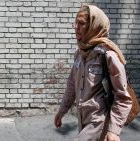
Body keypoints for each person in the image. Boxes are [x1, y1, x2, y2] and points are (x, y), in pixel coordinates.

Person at [54, 5, 132, 141]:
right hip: (82, 118)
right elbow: (72, 85)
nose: (76, 27)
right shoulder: (79, 53)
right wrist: (62, 111)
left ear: (94, 27)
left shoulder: (108, 56)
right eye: (76, 22)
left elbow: (123, 97)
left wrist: (114, 131)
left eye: (81, 23)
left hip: (100, 121)